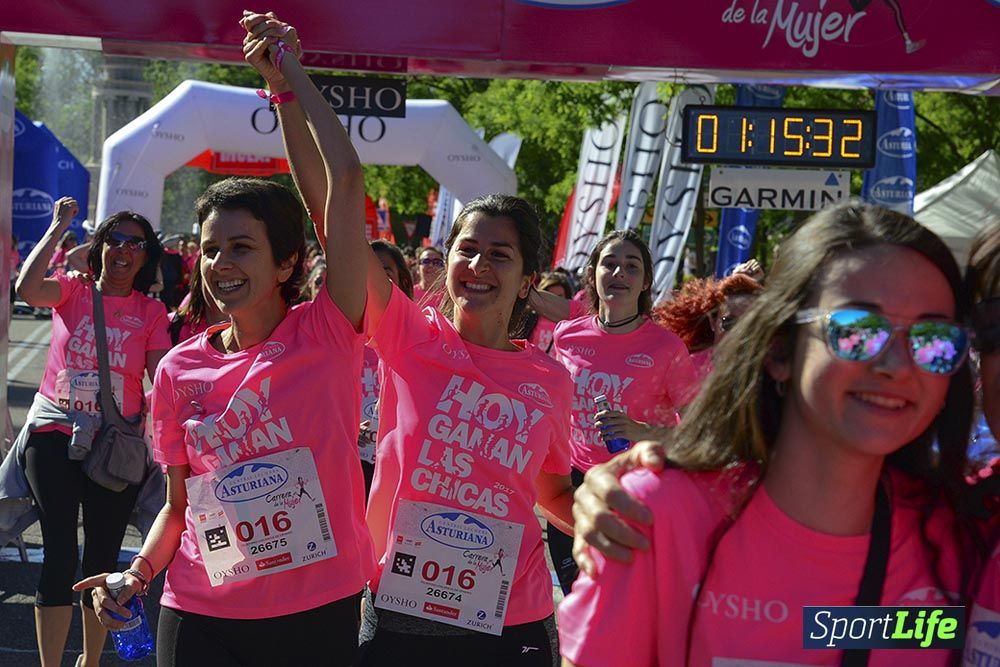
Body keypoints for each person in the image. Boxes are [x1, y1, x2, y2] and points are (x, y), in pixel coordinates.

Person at [239, 17, 575, 664]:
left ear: (528, 278)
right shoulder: (408, 333)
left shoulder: (549, 379)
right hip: (398, 615)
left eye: (498, 255)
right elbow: (331, 208)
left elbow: (553, 494)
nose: (476, 265)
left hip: (514, 624)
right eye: (466, 250)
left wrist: (611, 526)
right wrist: (286, 87)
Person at [72, 14, 376, 665]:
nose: (220, 264)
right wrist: (136, 573)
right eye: (210, 249)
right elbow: (179, 508)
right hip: (199, 610)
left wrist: (286, 81)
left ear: (289, 262)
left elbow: (343, 184)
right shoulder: (179, 367)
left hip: (314, 611)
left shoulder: (328, 330)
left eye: (242, 247)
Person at [559, 203, 983, 666]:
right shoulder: (651, 519)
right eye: (857, 330)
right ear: (780, 352)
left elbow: (822, 630)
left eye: (933, 339)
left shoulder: (965, 533)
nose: (897, 366)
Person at [14, 196, 169, 667]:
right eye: (115, 240)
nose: (123, 251)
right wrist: (58, 227)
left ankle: (92, 661)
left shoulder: (151, 313)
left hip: (114, 447)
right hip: (54, 433)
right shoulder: (72, 291)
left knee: (102, 557)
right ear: (99, 247)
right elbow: (26, 288)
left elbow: (162, 380)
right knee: (59, 549)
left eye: (135, 244)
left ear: (145, 257)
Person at [532, 229, 700, 594]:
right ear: (593, 274)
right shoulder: (567, 335)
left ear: (645, 282)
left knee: (623, 606)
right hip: (572, 489)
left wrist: (641, 431)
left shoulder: (666, 347)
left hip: (637, 489)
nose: (619, 273)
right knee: (578, 602)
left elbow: (699, 434)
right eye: (609, 264)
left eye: (631, 266)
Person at [358, 240, 415, 495]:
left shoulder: (420, 335)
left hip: (399, 466)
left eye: (384, 272)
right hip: (351, 462)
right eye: (363, 272)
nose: (372, 280)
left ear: (402, 281)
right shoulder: (337, 335)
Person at [654, 273, 761, 380]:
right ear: (713, 322)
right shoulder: (686, 370)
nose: (738, 332)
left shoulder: (768, 373)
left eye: (749, 323)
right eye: (729, 323)